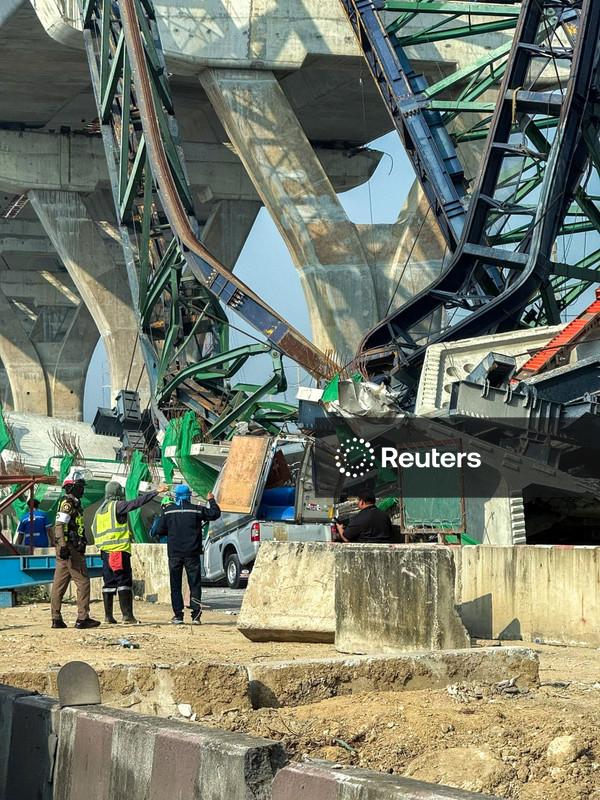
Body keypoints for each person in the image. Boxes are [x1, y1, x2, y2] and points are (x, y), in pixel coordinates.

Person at [92, 480, 169, 624]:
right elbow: (136, 503)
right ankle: (127, 616)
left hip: (105, 552)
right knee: (124, 582)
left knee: (109, 584)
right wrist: (156, 492)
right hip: (118, 551)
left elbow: (93, 530)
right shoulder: (117, 506)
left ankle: (108, 617)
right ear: (118, 493)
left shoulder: (100, 511)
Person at [155, 484, 221, 624]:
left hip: (174, 554)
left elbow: (160, 530)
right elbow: (215, 514)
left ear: (176, 496)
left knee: (175, 585)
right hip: (192, 553)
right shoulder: (196, 510)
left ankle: (178, 616)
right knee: (195, 584)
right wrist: (211, 500)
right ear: (189, 496)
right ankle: (196, 616)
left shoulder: (168, 511)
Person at [51, 469, 100, 630]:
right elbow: (59, 525)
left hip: (66, 548)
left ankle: (56, 618)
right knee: (83, 582)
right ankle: (82, 618)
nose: (83, 489)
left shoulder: (74, 503)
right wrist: (64, 546)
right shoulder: (68, 503)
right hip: (70, 549)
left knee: (59, 584)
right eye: (80, 486)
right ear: (71, 487)